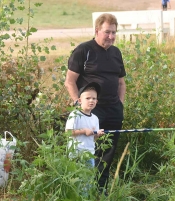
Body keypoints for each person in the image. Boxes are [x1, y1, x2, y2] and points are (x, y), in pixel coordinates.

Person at [64, 13, 126, 195]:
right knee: (88, 150)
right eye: (107, 32)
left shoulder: (116, 53)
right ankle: (82, 190)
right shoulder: (84, 50)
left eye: (114, 33)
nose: (111, 36)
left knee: (108, 151)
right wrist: (78, 104)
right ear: (97, 30)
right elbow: (70, 81)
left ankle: (100, 190)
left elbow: (121, 83)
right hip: (92, 111)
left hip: (114, 110)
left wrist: (120, 105)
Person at [65, 82, 104, 166]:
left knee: (88, 178)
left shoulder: (95, 118)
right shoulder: (75, 114)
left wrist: (98, 134)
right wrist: (83, 131)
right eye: (88, 98)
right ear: (80, 100)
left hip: (89, 154)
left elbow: (94, 139)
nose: (91, 101)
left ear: (96, 101)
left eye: (94, 98)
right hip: (76, 154)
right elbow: (68, 132)